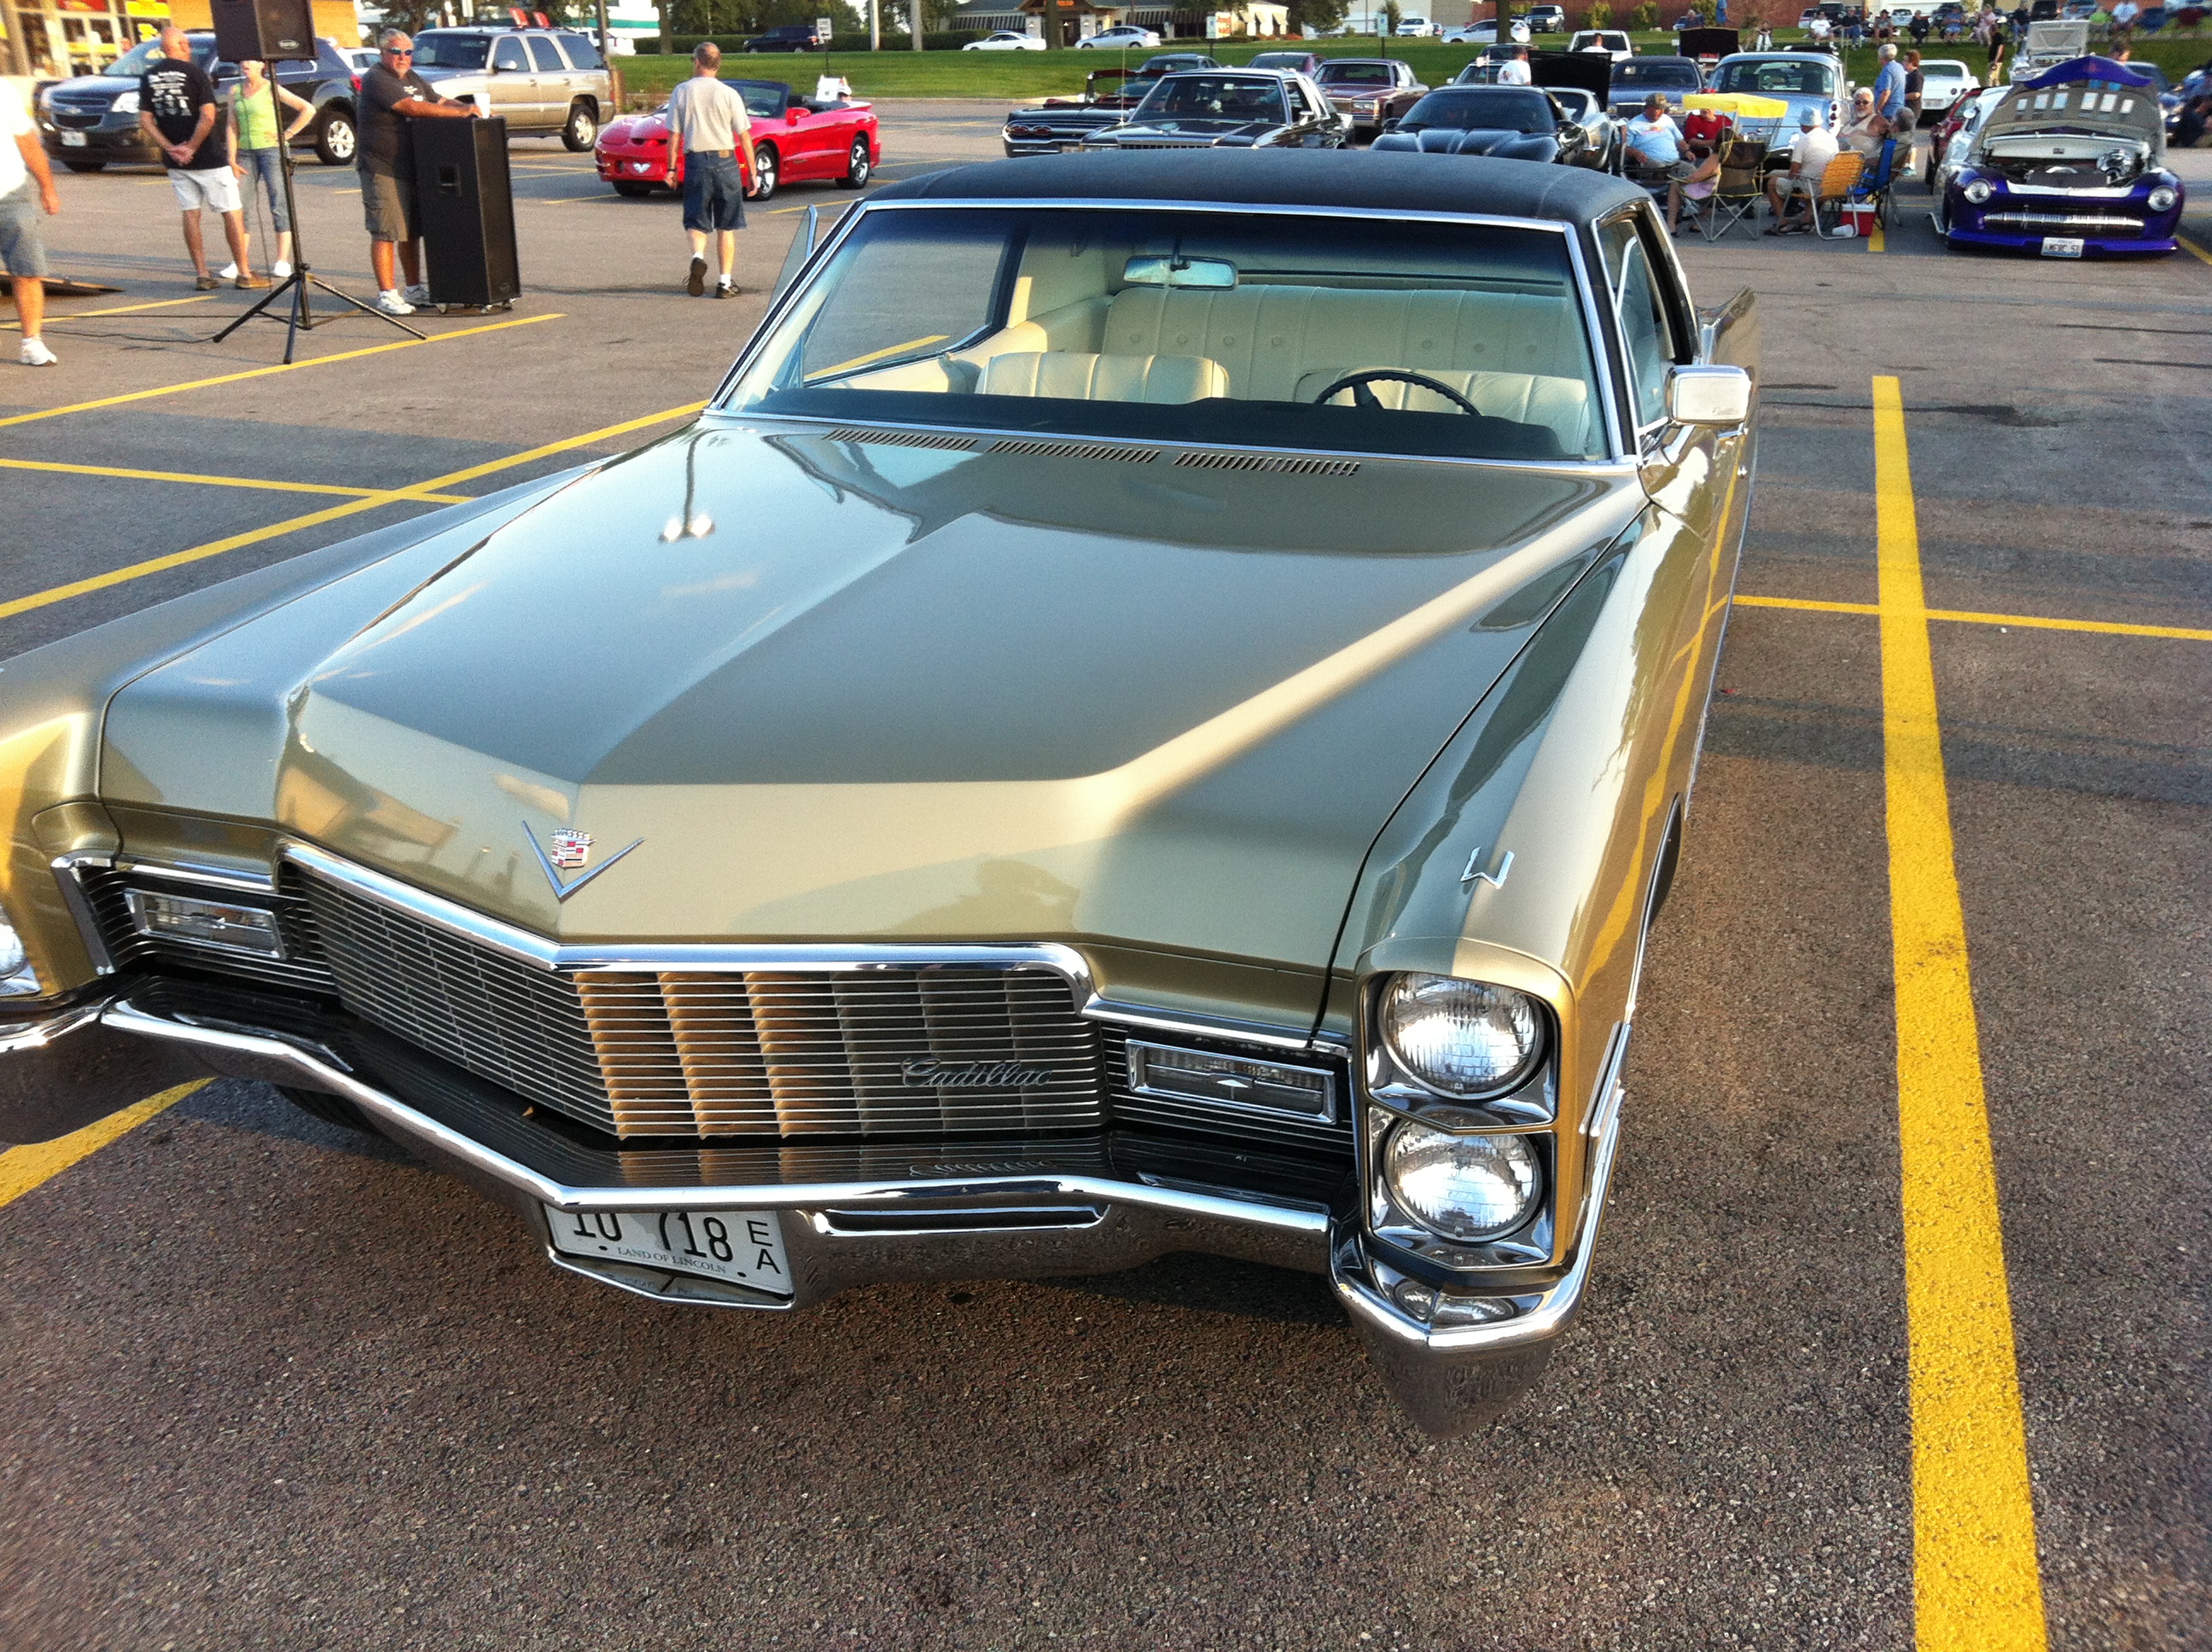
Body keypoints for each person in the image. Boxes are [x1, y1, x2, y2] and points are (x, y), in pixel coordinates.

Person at [356, 28, 479, 316]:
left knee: (411, 231)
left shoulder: (412, 77)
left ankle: (413, 289)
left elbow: (438, 100)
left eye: (408, 52)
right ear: (383, 53)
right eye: (396, 52)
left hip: (414, 165)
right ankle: (387, 295)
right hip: (382, 167)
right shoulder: (377, 78)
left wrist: (470, 107)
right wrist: (460, 114)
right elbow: (410, 107)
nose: (402, 57)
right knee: (386, 230)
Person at [138, 27, 261, 292]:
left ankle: (203, 274)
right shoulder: (194, 74)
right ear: (182, 45)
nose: (190, 49)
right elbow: (208, 116)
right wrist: (192, 147)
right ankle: (244, 272)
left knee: (191, 213)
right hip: (208, 157)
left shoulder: (149, 76)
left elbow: (146, 120)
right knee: (231, 211)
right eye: (187, 45)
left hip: (176, 162)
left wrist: (171, 148)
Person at [666, 43, 755, 299]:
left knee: (696, 219)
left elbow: (674, 135)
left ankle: (697, 257)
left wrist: (671, 168)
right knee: (726, 225)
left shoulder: (682, 91)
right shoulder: (729, 94)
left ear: (697, 62)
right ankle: (724, 283)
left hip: (696, 161)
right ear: (718, 65)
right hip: (726, 161)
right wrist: (753, 173)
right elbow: (744, 136)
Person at [222, 60, 312, 283]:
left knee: (278, 201)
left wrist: (287, 134)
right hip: (245, 153)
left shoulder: (271, 88)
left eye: (250, 61)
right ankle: (240, 261)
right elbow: (232, 125)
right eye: (242, 61)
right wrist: (231, 157)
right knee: (241, 206)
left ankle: (282, 260)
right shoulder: (235, 91)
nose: (244, 64)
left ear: (261, 65)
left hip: (271, 150)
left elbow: (308, 109)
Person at [3, 77, 61, 365]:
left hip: (10, 192)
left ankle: (31, 343)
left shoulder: (2, 90)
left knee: (27, 270)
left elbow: (27, 141)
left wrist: (47, 188)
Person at [1764, 105, 1839, 233]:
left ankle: (1782, 223)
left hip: (1811, 186)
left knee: (1773, 183)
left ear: (1803, 126)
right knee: (1809, 177)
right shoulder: (1832, 139)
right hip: (1829, 186)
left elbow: (1794, 172)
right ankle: (1807, 220)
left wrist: (1784, 175)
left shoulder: (1803, 141)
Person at [1624, 93, 1691, 178]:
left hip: (1674, 163)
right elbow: (1621, 147)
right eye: (1658, 109)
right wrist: (1635, 153)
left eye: (1663, 109)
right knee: (1660, 171)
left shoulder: (1667, 120)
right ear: (1649, 108)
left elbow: (1679, 140)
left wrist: (1686, 151)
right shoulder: (1633, 124)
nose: (1662, 112)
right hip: (1650, 164)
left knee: (1692, 171)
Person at [1667, 140, 1721, 235]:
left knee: (1675, 184)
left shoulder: (1716, 157)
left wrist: (1682, 180)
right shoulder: (1743, 158)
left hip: (1709, 194)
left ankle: (1671, 225)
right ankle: (1698, 224)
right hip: (1735, 195)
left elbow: (1695, 178)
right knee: (1716, 190)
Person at [1839, 85, 1893, 156]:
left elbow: (1894, 133)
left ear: (1872, 104)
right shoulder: (1850, 121)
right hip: (1842, 159)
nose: (1861, 105)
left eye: (1865, 102)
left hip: (1863, 160)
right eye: (1857, 102)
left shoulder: (1877, 120)